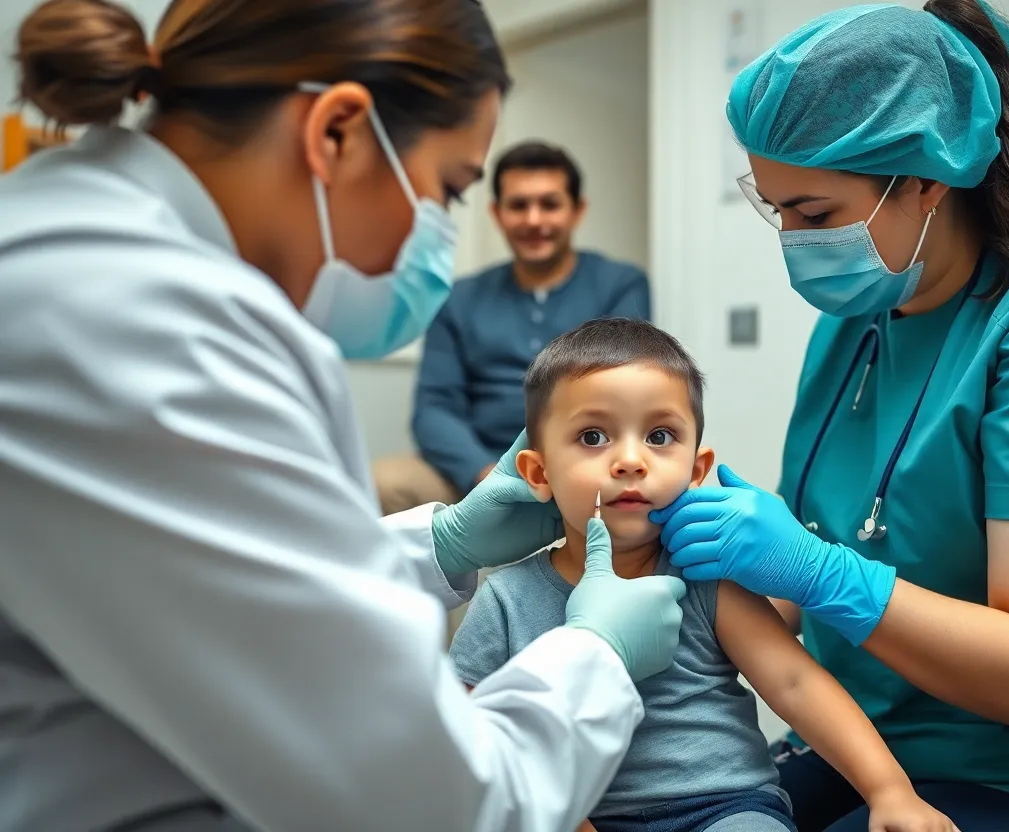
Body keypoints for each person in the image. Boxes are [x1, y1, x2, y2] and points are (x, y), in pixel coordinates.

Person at [0, 2, 688, 830]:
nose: (438, 233)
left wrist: (441, 545)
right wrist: (597, 656)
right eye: (448, 190)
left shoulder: (82, 249)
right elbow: (437, 805)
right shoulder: (143, 321)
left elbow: (224, 587)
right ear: (337, 133)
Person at [653, 2, 1009, 831]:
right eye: (777, 212)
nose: (794, 244)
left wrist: (812, 569)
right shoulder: (856, 320)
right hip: (878, 741)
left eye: (815, 215)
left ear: (924, 179)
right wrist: (654, 605)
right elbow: (786, 592)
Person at [449, 318, 959, 832]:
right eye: (593, 436)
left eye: (659, 436)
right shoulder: (505, 600)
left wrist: (890, 791)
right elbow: (466, 738)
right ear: (538, 473)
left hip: (722, 809)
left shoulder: (708, 580)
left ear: (697, 469)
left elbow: (795, 681)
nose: (630, 460)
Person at [373, 141, 651, 515]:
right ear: (497, 213)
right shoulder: (458, 298)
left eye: (549, 204)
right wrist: (486, 475)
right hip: (473, 472)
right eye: (518, 206)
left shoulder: (620, 285)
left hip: (582, 467)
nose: (534, 220)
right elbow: (434, 409)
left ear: (576, 211)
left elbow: (620, 395)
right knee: (380, 484)